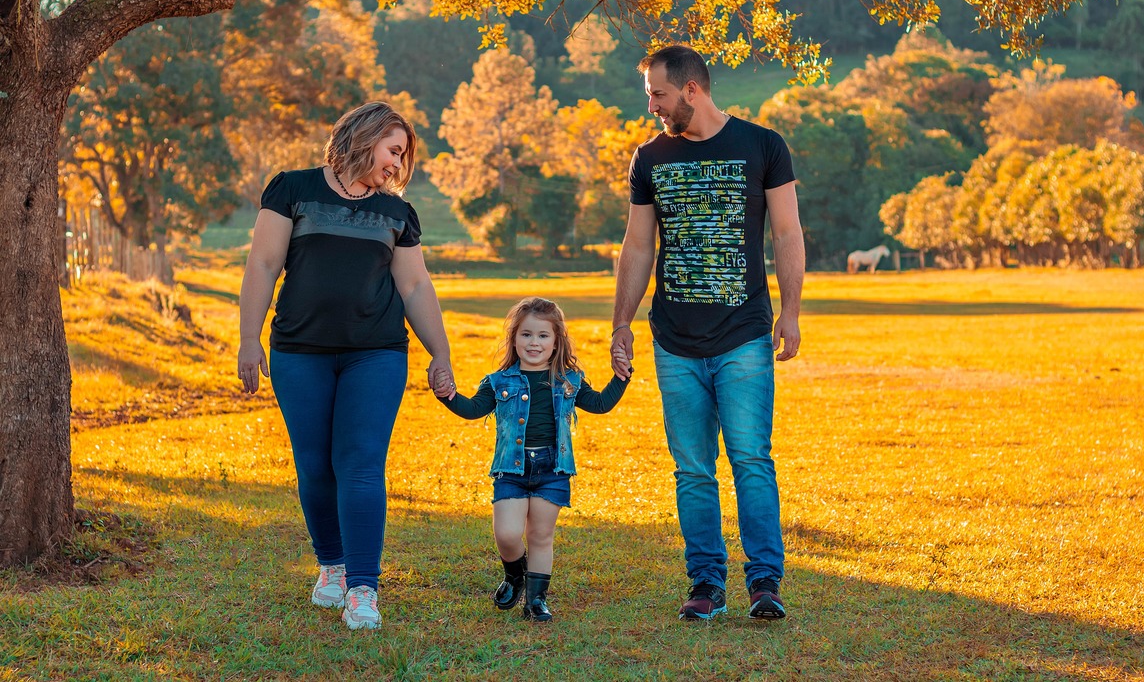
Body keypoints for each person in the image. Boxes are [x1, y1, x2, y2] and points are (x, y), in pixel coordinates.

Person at [237, 101, 456, 631]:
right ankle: (331, 567)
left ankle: (362, 588)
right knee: (314, 466)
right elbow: (264, 263)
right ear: (365, 137)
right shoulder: (292, 189)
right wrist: (248, 338)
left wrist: (441, 353)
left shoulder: (397, 213)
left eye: (403, 157)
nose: (397, 165)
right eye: (393, 151)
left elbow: (414, 285)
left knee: (359, 466)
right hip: (299, 351)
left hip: (376, 353)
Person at [610, 44, 805, 621]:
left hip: (743, 334)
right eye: (650, 95)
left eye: (658, 94)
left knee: (750, 460)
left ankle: (765, 583)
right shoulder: (649, 158)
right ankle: (705, 583)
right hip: (674, 340)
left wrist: (789, 312)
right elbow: (638, 245)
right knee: (692, 468)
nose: (652, 106)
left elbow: (788, 234)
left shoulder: (762, 146)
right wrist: (621, 321)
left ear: (692, 90)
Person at [436, 297, 630, 622]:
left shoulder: (570, 380)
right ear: (514, 339)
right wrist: (448, 396)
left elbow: (599, 404)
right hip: (511, 469)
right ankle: (514, 573)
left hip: (553, 469)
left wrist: (620, 377)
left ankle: (536, 601)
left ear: (556, 342)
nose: (534, 342)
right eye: (526, 335)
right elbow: (472, 410)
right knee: (508, 535)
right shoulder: (498, 382)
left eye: (543, 336)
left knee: (541, 535)